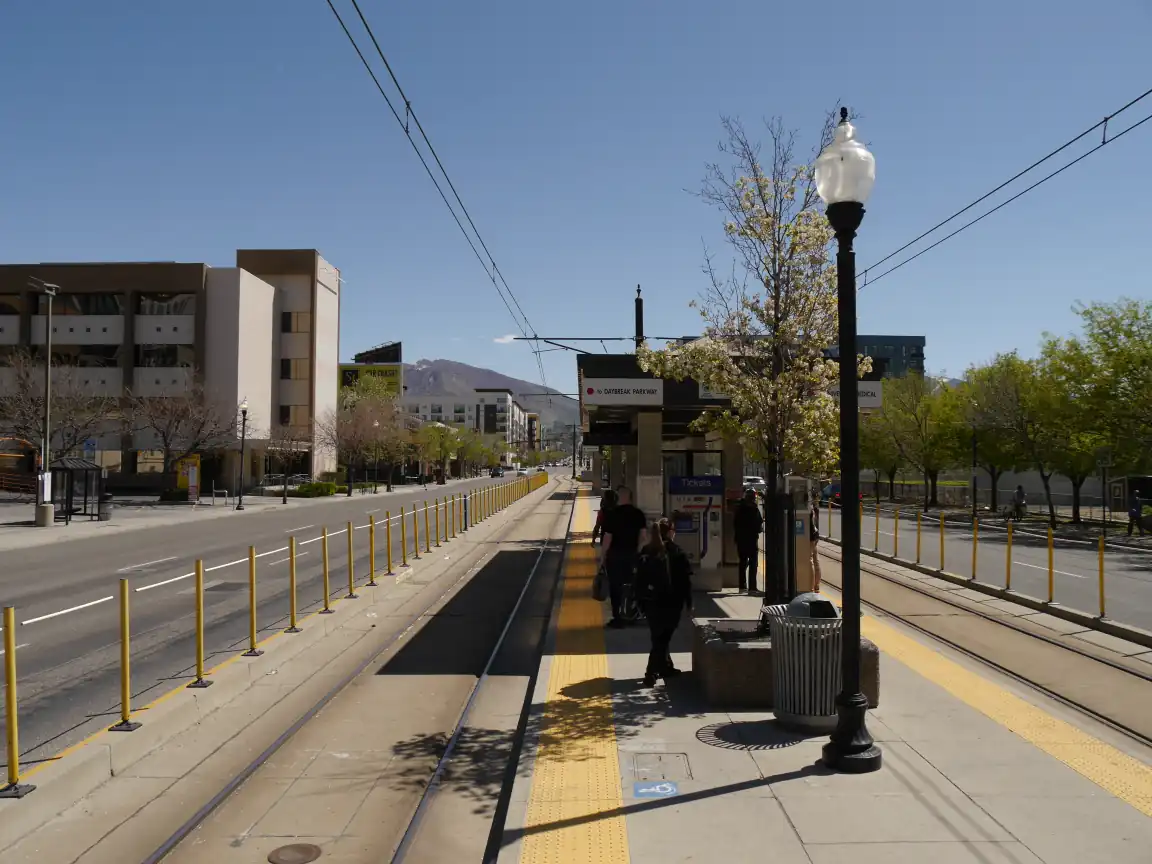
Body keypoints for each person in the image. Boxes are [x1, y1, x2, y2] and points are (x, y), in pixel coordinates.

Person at [634, 517, 693, 686]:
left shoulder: (646, 550)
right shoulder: (676, 551)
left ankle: (666, 667)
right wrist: (689, 603)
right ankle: (650, 673)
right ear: (670, 532)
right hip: (671, 603)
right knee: (662, 640)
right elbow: (685, 582)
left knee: (657, 637)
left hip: (650, 602)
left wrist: (640, 601)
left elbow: (638, 578)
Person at [599, 485, 648, 627]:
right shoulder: (639, 514)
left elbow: (607, 538)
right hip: (632, 555)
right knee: (632, 585)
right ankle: (630, 614)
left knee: (616, 587)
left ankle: (618, 617)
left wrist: (603, 557)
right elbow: (643, 537)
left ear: (619, 497)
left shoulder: (612, 514)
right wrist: (637, 552)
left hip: (615, 556)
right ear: (631, 497)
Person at [733, 488, 764, 592]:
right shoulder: (754, 509)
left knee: (742, 562)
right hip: (751, 539)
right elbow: (759, 525)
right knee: (753, 563)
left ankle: (742, 586)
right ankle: (752, 586)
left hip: (741, 539)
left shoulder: (739, 508)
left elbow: (735, 523)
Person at [810, 501, 823, 592]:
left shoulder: (808, 508)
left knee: (809, 560)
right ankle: (816, 586)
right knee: (815, 560)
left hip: (810, 536)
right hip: (815, 535)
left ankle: (810, 586)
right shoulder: (815, 507)